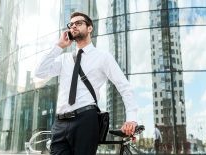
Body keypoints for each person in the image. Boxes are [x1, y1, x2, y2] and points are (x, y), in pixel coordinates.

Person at [35, 12, 138, 155]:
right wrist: (59, 46)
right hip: (60, 123)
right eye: (71, 25)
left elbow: (124, 87)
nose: (73, 26)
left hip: (86, 119)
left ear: (90, 28)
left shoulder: (103, 57)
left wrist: (132, 118)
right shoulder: (64, 59)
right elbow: (40, 72)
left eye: (78, 23)